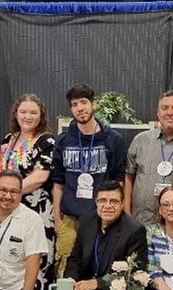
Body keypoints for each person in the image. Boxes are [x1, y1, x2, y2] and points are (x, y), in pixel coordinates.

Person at [52, 84, 127, 277]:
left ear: (94, 104)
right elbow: (58, 182)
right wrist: (58, 219)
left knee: (99, 267)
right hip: (70, 218)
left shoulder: (113, 139)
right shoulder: (62, 141)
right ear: (71, 109)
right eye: (74, 104)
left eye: (84, 102)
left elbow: (119, 181)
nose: (80, 108)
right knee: (65, 269)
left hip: (101, 218)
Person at [0, 94, 57, 290]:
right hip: (11, 210)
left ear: (41, 115)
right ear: (16, 113)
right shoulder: (9, 140)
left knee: (39, 263)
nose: (28, 116)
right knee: (14, 261)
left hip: (37, 210)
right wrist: (8, 198)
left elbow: (41, 176)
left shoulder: (47, 141)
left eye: (33, 112)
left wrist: (10, 192)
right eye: (23, 111)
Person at [124, 90, 173, 227]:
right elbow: (128, 177)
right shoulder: (140, 140)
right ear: (158, 113)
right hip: (139, 222)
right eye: (164, 108)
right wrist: (126, 213)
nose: (169, 112)